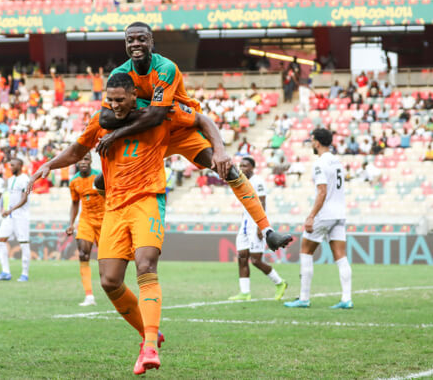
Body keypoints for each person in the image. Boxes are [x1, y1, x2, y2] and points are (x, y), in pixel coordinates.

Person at [27, 73, 214, 375]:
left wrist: (218, 150)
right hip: (113, 205)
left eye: (119, 99)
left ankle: (150, 346)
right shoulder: (99, 120)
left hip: (146, 201)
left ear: (132, 96)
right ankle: (148, 334)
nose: (114, 105)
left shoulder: (161, 114)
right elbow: (77, 151)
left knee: (145, 265)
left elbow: (202, 120)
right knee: (110, 281)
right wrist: (48, 165)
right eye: (109, 100)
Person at [95, 22, 292, 251]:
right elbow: (105, 118)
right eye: (131, 40)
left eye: (142, 39)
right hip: (148, 134)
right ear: (125, 44)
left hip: (180, 129)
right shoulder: (119, 74)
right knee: (101, 180)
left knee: (228, 170)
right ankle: (108, 222)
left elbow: (179, 117)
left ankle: (268, 231)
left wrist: (220, 151)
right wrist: (145, 112)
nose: (136, 44)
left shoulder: (165, 69)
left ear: (151, 42)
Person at [285, 128, 352, 309]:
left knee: (306, 251)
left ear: (317, 142)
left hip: (325, 213)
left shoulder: (320, 163)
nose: (311, 144)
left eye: (312, 140)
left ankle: (304, 298)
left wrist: (311, 216)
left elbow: (322, 192)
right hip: (340, 214)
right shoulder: (337, 162)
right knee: (341, 256)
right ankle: (347, 299)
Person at [228, 157, 287, 302]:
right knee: (242, 257)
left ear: (252, 167)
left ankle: (280, 283)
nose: (242, 168)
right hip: (245, 224)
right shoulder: (242, 181)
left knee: (255, 260)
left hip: (256, 223)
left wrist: (262, 227)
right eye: (241, 165)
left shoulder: (258, 181)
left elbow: (262, 202)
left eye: (246, 166)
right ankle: (245, 292)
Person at [66, 153, 105, 306]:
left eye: (86, 159)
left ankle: (112, 289)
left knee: (106, 259)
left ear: (90, 161)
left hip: (104, 220)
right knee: (83, 254)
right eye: (80, 159)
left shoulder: (99, 177)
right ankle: (89, 296)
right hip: (86, 220)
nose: (83, 162)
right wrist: (71, 223)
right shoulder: (74, 181)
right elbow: (75, 203)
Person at [0, 159, 31, 282]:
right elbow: (9, 197)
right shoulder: (10, 180)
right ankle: (5, 272)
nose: (11, 167)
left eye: (13, 165)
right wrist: (5, 209)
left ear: (20, 166)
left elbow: (24, 199)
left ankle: (25, 273)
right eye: (10, 165)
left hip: (21, 216)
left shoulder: (25, 180)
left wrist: (11, 209)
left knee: (24, 244)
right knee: (0, 240)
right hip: (10, 216)